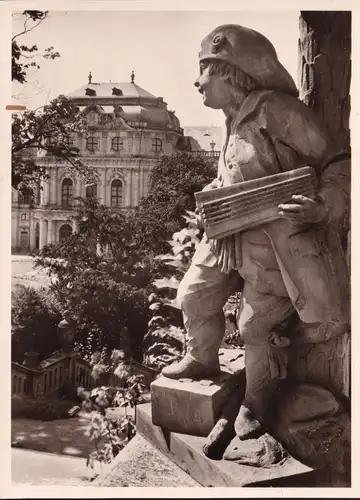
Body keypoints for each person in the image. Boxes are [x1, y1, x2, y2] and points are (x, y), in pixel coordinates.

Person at [161, 24, 350, 440]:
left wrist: (322, 209)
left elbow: (340, 161)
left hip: (272, 242)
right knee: (193, 295)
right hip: (226, 234)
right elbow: (235, 171)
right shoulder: (231, 118)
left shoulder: (278, 112)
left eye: (204, 71)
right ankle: (201, 358)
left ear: (231, 72)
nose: (197, 82)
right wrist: (213, 193)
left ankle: (256, 403)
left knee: (254, 326)